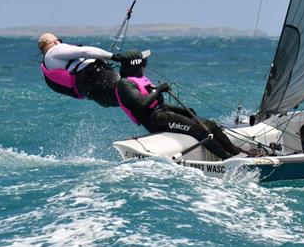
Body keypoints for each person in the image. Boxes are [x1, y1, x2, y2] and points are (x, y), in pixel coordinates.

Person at [114, 50, 244, 160]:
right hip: (155, 120)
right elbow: (142, 104)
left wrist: (182, 110)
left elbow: (158, 104)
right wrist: (158, 89)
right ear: (136, 64)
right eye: (144, 62)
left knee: (211, 125)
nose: (145, 65)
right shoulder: (125, 84)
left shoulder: (138, 80)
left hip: (162, 113)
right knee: (201, 130)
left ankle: (237, 153)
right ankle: (227, 159)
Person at [38, 32, 124, 107]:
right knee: (129, 93)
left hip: (89, 91)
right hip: (96, 77)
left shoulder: (48, 66)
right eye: (59, 40)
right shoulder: (53, 51)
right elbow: (85, 52)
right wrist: (114, 57)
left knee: (125, 102)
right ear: (55, 42)